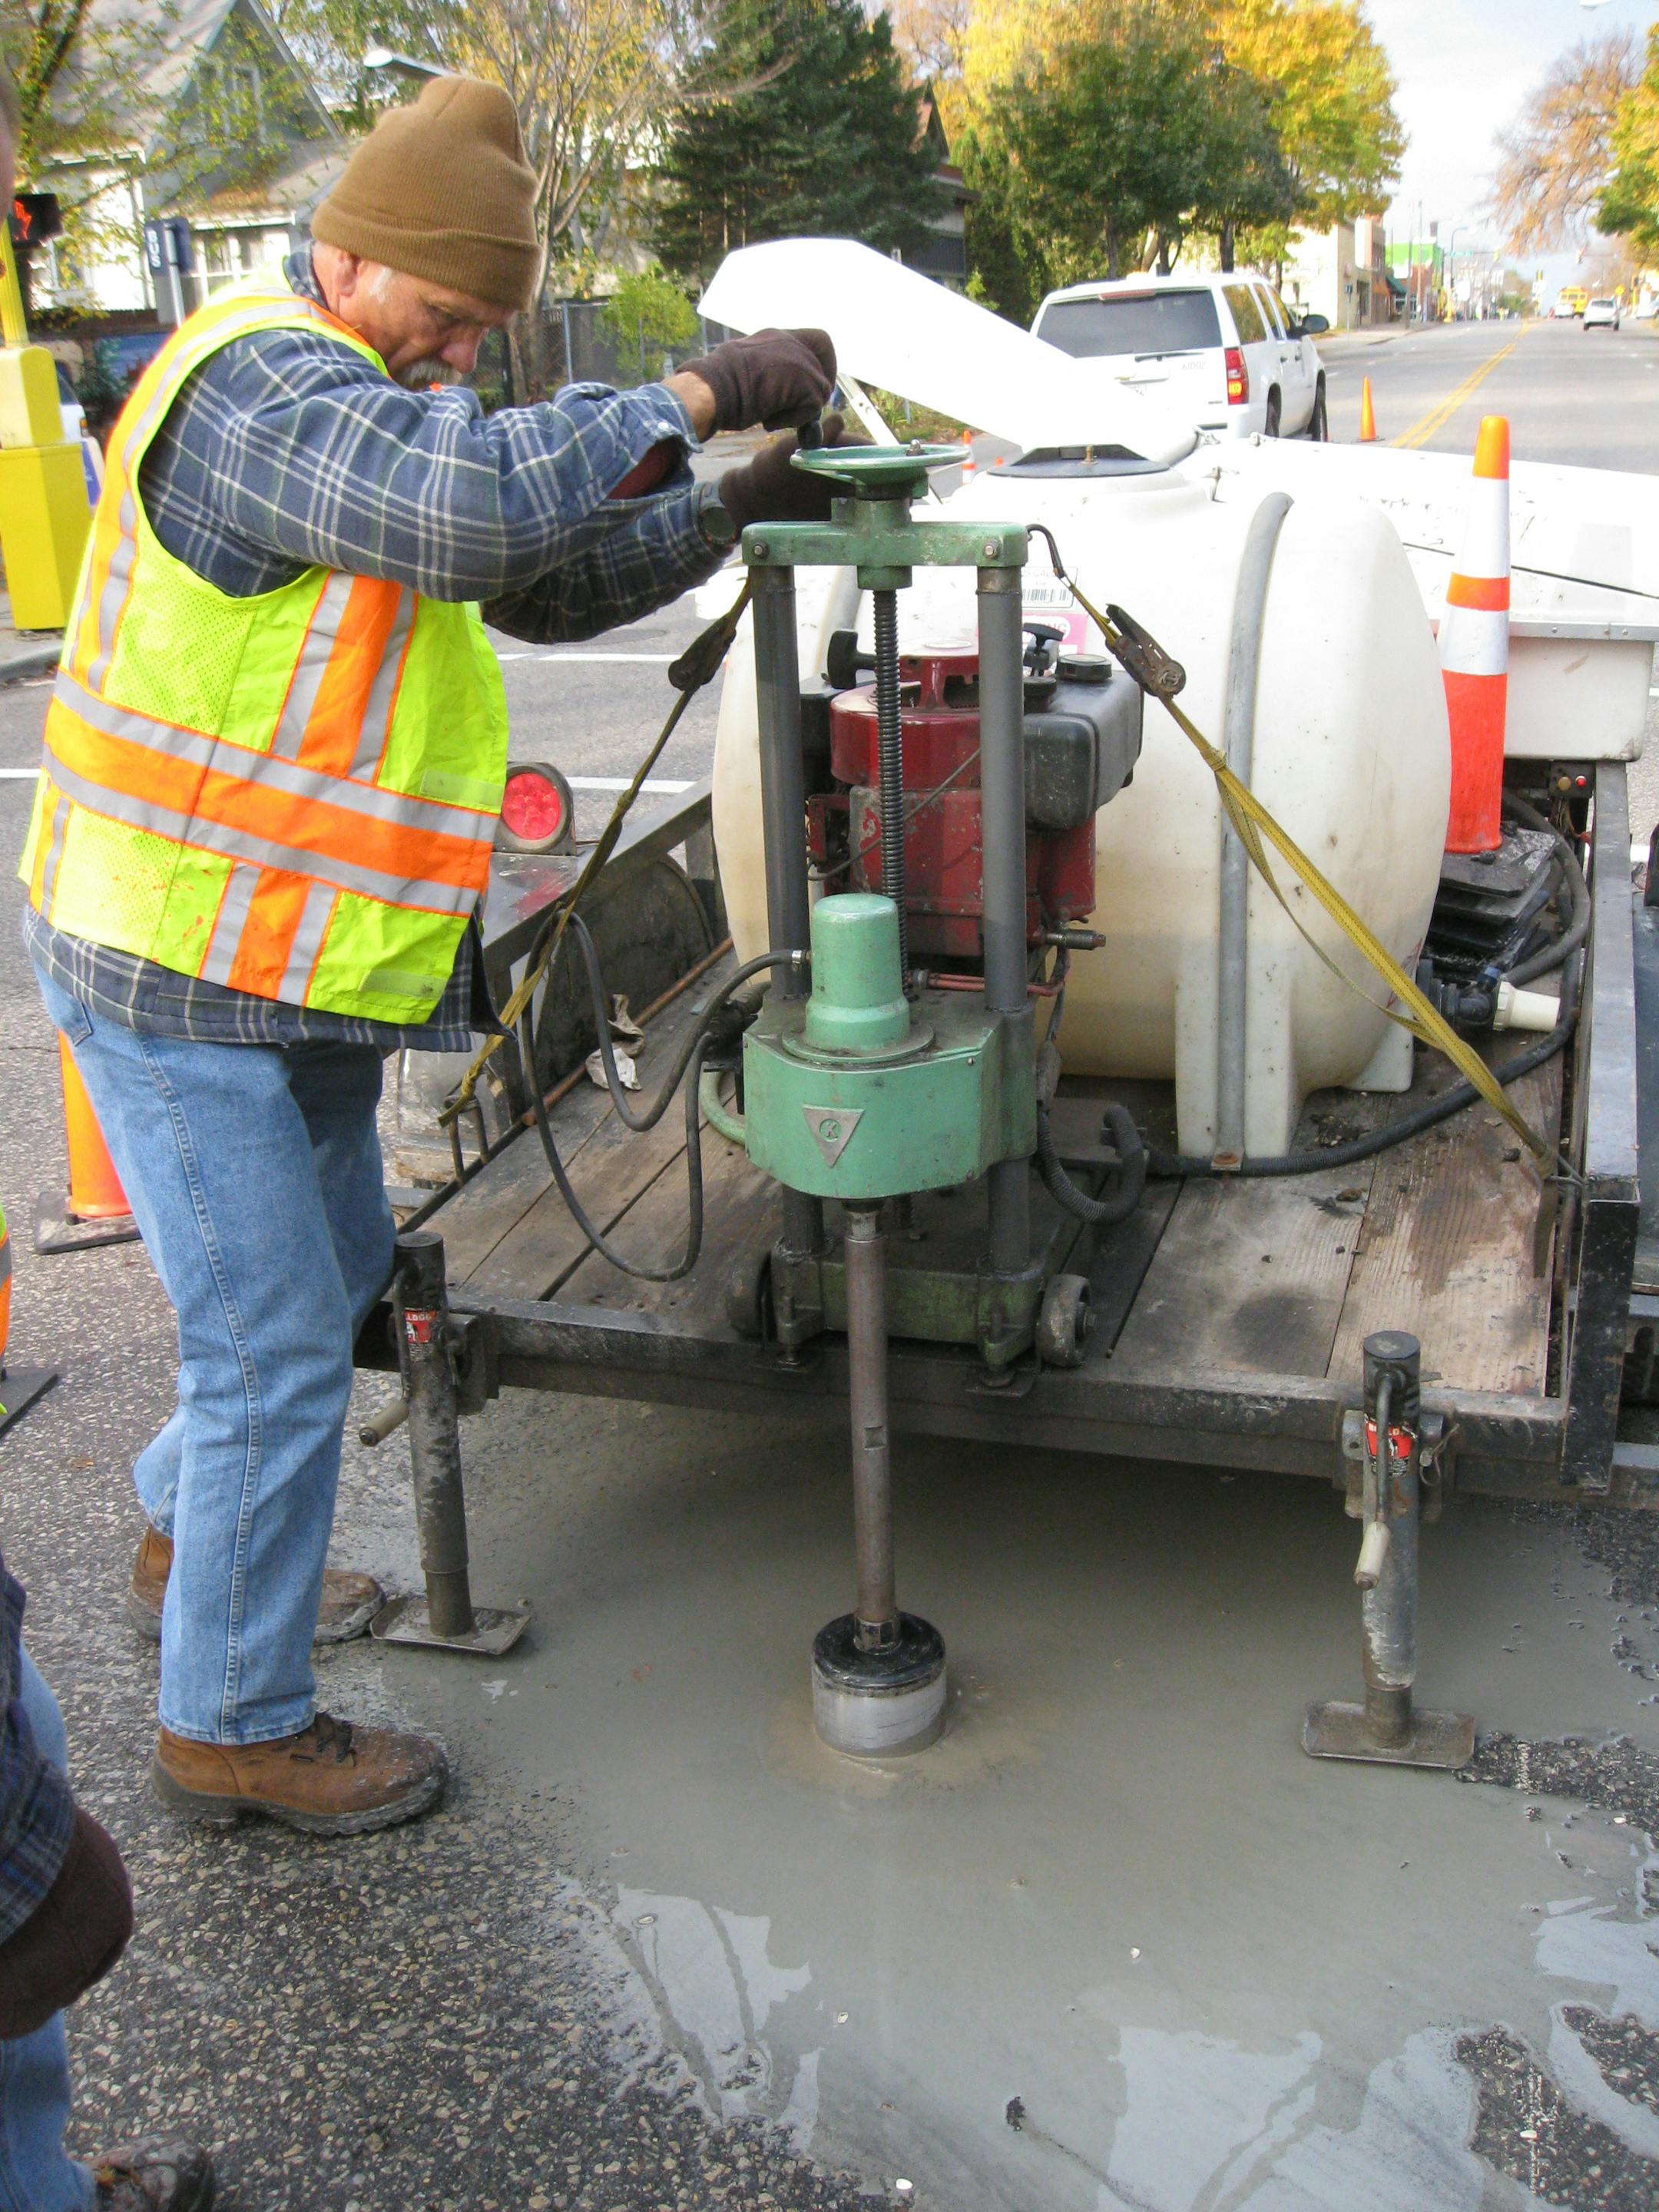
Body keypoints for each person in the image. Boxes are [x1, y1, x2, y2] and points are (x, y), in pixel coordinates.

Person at [19, 73, 853, 1836]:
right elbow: (477, 508)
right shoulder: (254, 384)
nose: (463, 351)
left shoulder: (378, 404)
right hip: (171, 965)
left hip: (285, 969)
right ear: (346, 257)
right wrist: (703, 385)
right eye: (445, 314)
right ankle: (230, 1727)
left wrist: (739, 501)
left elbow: (536, 576)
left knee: (312, 1297)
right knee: (268, 1342)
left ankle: (203, 1537)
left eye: (488, 328)